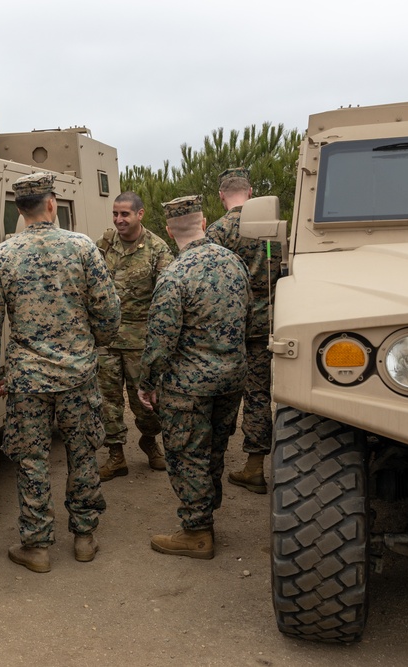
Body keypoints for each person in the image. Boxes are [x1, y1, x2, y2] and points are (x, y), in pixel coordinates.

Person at [0, 172, 121, 573]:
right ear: (52, 204)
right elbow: (108, 312)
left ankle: (36, 547)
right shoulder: (82, 247)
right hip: (78, 373)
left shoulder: (2, 256)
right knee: (83, 453)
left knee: (31, 460)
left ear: (19, 210)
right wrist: (95, 345)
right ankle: (85, 538)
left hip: (28, 379)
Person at [138, 195, 251, 560]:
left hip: (189, 385)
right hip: (232, 377)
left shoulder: (175, 274)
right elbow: (247, 318)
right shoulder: (235, 263)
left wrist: (147, 383)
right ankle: (208, 508)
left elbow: (160, 340)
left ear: (170, 231)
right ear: (204, 224)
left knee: (188, 454)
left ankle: (197, 531)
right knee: (215, 447)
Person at [205, 167, 282, 494]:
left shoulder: (217, 231)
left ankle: (209, 462)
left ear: (222, 195)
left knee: (217, 393)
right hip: (265, 324)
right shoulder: (272, 229)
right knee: (257, 393)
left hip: (228, 326)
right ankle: (254, 466)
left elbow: (207, 282)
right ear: (250, 193)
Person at [95, 192, 174, 480]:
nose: (118, 220)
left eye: (125, 214)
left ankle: (150, 441)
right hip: (106, 339)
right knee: (107, 401)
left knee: (146, 403)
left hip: (140, 341)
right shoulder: (104, 244)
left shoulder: (158, 249)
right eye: (115, 214)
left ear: (139, 214)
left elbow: (167, 298)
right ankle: (116, 455)